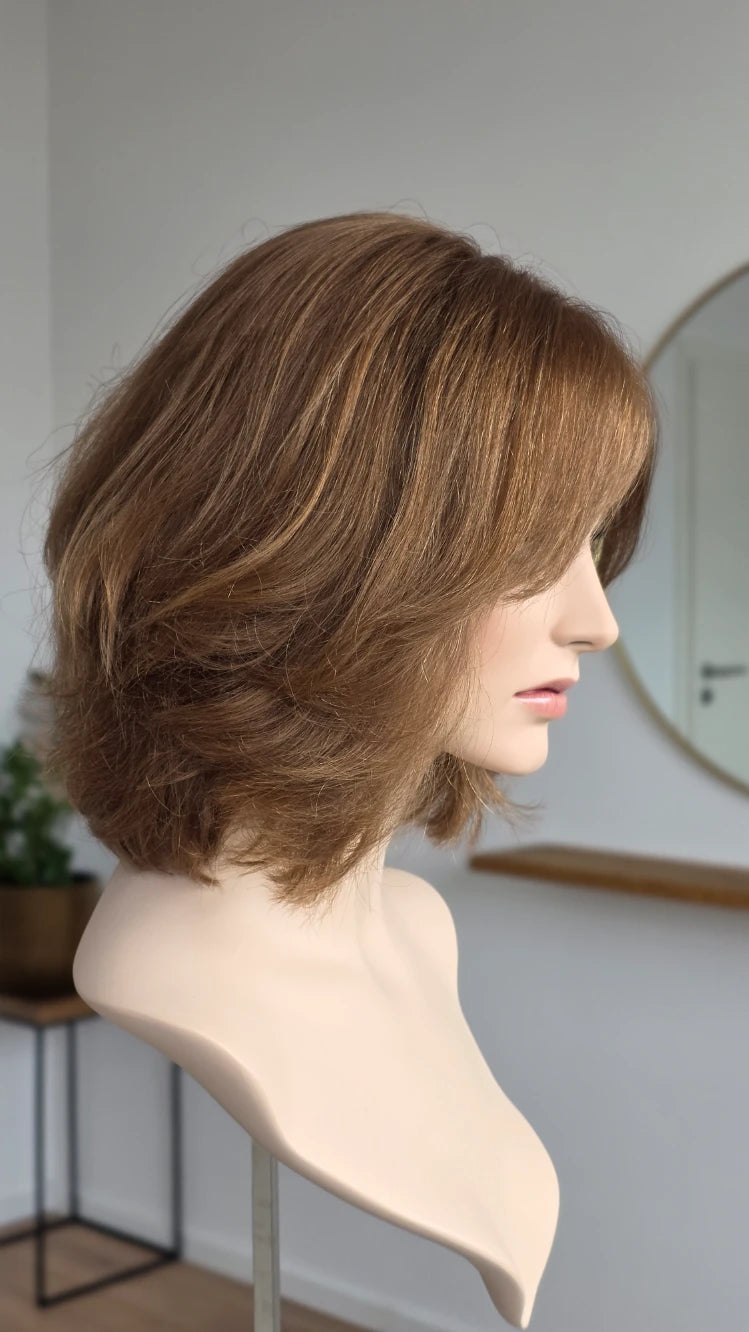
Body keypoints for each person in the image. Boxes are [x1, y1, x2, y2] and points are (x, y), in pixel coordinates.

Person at [40, 211, 659, 1327]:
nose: (594, 620)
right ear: (325, 554)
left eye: (590, 542)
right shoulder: (164, 970)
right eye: (531, 550)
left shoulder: (418, 929)